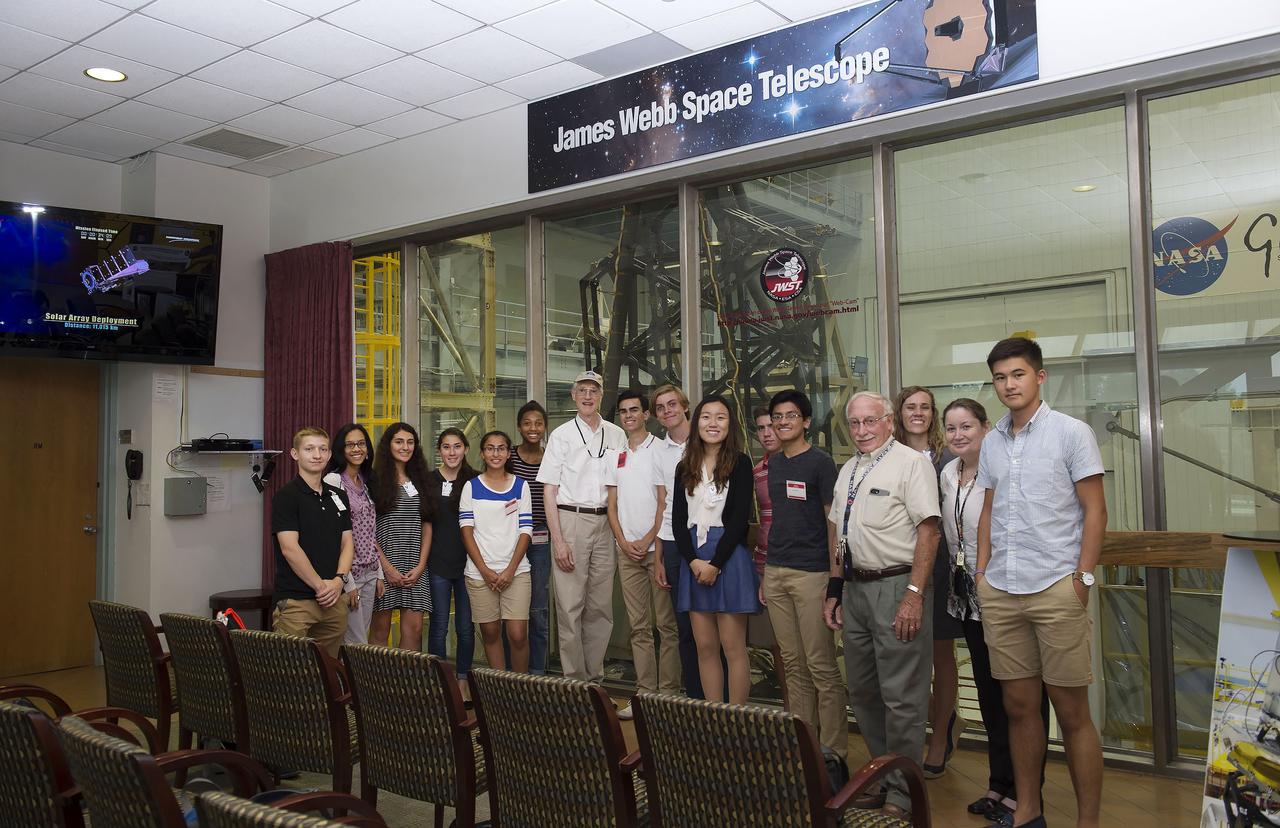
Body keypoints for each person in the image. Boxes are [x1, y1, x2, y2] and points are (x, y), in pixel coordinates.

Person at [976, 337, 1107, 828]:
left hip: (1057, 586)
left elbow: (1095, 510)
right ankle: (1027, 809)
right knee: (1019, 707)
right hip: (1002, 589)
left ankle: (1087, 821)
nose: (1008, 385)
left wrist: (1083, 577)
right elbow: (988, 509)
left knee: (1073, 712)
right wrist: (983, 571)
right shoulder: (992, 440)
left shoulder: (1072, 433)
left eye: (1017, 375)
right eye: (1000, 378)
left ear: (1039, 377)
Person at [824, 391, 941, 822]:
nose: (862, 431)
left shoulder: (912, 464)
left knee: (902, 696)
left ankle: (905, 791)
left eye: (870, 422)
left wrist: (914, 594)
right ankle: (880, 774)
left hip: (897, 588)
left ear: (889, 422)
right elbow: (838, 531)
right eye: (854, 424)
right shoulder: (849, 469)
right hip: (854, 590)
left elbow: (929, 533)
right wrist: (835, 589)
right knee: (864, 691)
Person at [942, 398, 1051, 824]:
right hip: (967, 600)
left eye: (966, 426)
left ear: (986, 429)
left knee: (1021, 697)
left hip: (1006, 592)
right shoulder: (948, 475)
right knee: (988, 695)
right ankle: (998, 784)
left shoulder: (999, 473)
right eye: (950, 428)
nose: (958, 435)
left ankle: (1027, 794)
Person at [763, 389, 847, 758]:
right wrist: (768, 571)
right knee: (793, 664)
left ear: (807, 422)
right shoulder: (774, 462)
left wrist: (835, 580)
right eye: (777, 416)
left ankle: (833, 754)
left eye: (791, 416)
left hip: (812, 574)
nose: (783, 422)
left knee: (821, 666)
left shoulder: (821, 463)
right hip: (776, 571)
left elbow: (834, 525)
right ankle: (803, 747)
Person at [894, 385, 966, 776]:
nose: (918, 413)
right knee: (908, 661)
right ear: (899, 412)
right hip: (898, 567)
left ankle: (939, 737)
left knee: (941, 656)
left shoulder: (949, 456)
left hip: (940, 566)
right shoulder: (889, 454)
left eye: (925, 407)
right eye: (910, 407)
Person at [537, 370, 626, 681]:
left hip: (606, 522)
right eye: (583, 391)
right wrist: (558, 540)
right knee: (570, 606)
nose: (588, 396)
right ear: (573, 396)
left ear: (601, 396)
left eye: (594, 391)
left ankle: (596, 680)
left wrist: (620, 534)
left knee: (601, 608)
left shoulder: (616, 434)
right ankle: (574, 683)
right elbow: (549, 489)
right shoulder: (561, 435)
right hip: (570, 520)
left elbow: (623, 485)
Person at [671, 396, 760, 704]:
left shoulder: (740, 462)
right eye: (706, 417)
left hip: (728, 556)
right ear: (696, 424)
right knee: (705, 646)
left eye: (720, 417)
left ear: (730, 424)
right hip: (694, 558)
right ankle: (714, 716)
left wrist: (715, 563)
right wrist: (694, 561)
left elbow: (738, 521)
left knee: (733, 647)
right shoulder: (685, 465)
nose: (712, 423)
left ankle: (737, 718)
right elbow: (678, 521)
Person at [606, 390, 680, 718]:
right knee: (638, 627)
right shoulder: (616, 454)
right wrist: (623, 540)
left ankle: (669, 696)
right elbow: (612, 504)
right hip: (627, 552)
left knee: (667, 625)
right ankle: (645, 694)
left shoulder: (661, 450)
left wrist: (650, 539)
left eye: (634, 410)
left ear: (646, 414)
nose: (629, 416)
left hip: (657, 550)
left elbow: (666, 502)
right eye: (623, 411)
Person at [270, 427, 353, 658]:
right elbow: (289, 549)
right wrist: (320, 587)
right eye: (309, 449)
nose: (317, 455)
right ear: (295, 454)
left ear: (328, 455)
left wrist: (339, 581)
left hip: (334, 600)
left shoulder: (338, 495)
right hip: (297, 602)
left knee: (328, 674)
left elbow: (347, 543)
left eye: (322, 449)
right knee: (292, 674)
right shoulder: (286, 497)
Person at [461, 431, 534, 673]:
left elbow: (526, 530)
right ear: (482, 453)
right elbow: (467, 532)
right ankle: (499, 691)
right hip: (480, 573)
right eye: (490, 448)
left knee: (518, 634)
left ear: (507, 452)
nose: (495, 453)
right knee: (490, 632)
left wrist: (510, 570)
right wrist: (484, 570)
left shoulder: (520, 486)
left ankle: (521, 688)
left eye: (501, 448)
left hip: (517, 571)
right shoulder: (471, 487)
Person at [651, 383, 704, 698]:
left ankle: (719, 699)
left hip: (707, 540)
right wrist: (658, 557)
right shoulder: (658, 451)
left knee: (710, 625)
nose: (667, 411)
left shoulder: (705, 441)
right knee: (684, 627)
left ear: (685, 407)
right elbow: (663, 503)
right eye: (661, 407)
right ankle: (695, 697)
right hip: (672, 544)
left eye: (672, 404)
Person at [369, 422, 436, 651]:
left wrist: (421, 566)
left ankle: (406, 685)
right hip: (382, 565)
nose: (405, 447)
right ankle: (376, 684)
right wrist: (386, 568)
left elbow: (427, 525)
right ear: (388, 445)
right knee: (380, 629)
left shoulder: (422, 480)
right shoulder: (374, 480)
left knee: (415, 630)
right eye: (399, 441)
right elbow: (366, 530)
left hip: (414, 566)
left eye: (410, 442)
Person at [322, 423, 383, 645]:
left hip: (369, 572)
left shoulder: (367, 482)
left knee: (359, 639)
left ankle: (347, 680)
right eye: (350, 445)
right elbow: (333, 536)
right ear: (341, 450)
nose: (357, 449)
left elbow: (370, 531)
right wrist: (347, 583)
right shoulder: (334, 481)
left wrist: (380, 574)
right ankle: (348, 681)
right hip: (349, 575)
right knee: (356, 642)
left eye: (361, 444)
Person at [426, 428, 478, 684]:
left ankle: (463, 680)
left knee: (466, 629)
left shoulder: (477, 481)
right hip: (438, 563)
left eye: (457, 446)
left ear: (466, 449)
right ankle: (439, 683)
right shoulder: (428, 481)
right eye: (446, 447)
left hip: (470, 564)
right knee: (438, 626)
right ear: (439, 451)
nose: (452, 452)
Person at [509, 400, 552, 674]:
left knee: (538, 609)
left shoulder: (551, 457)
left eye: (538, 423)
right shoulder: (508, 457)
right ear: (519, 427)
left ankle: (538, 674)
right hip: (509, 542)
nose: (532, 428)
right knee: (510, 611)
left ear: (545, 427)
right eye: (527, 423)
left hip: (540, 542)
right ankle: (508, 673)